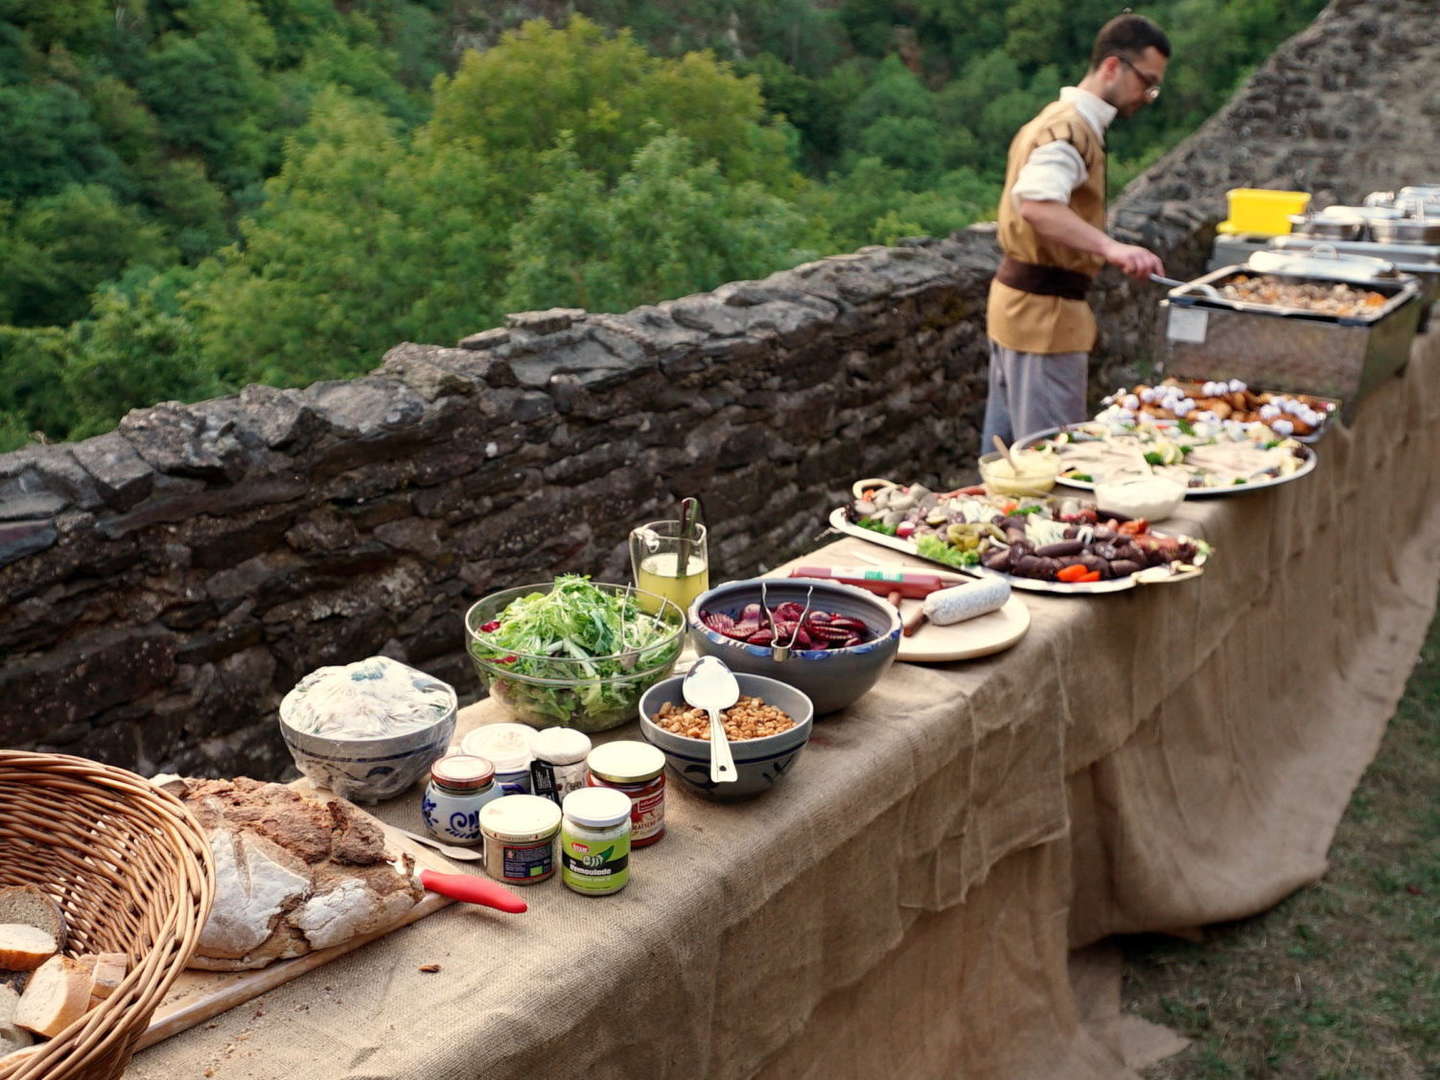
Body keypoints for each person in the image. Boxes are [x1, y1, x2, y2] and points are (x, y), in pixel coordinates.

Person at [982, 14, 1171, 450]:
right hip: (1044, 320)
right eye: (1146, 82)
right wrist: (1111, 248)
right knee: (1049, 460)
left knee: (1008, 460)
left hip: (1023, 313)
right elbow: (1036, 204)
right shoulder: (1069, 130)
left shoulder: (1060, 120)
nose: (1148, 96)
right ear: (1111, 67)